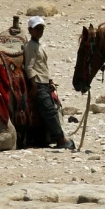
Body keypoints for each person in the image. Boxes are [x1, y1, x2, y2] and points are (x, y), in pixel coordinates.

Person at [24, 16, 75, 150]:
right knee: (49, 111)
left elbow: (42, 66)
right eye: (37, 28)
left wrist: (50, 80)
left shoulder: (37, 45)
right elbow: (29, 67)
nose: (40, 31)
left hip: (44, 83)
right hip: (38, 84)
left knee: (53, 109)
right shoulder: (30, 46)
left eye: (42, 28)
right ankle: (61, 139)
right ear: (30, 30)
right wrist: (34, 85)